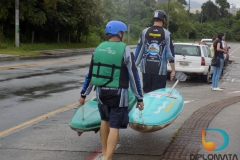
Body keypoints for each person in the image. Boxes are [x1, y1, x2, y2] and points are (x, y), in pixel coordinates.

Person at [78, 20, 144, 160]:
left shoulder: (98, 49)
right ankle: (108, 158)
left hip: (101, 93)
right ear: (119, 34)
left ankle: (104, 153)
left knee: (104, 120)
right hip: (118, 94)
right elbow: (133, 75)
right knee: (114, 126)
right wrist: (139, 98)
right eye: (123, 33)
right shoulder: (125, 50)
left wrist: (83, 94)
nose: (124, 36)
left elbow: (90, 74)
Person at [134, 10, 175, 93]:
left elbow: (139, 51)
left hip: (146, 69)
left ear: (153, 19)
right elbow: (170, 54)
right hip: (160, 71)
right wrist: (173, 70)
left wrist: (134, 66)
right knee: (158, 95)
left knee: (146, 94)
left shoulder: (144, 32)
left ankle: (146, 106)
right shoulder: (167, 34)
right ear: (164, 20)